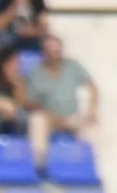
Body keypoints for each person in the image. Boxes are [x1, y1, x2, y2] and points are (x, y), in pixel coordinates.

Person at [23, 34, 97, 165]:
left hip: (71, 116)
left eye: (57, 51)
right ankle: (40, 163)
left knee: (91, 127)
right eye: (51, 52)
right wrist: (49, 115)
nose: (55, 55)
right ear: (44, 52)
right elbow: (29, 101)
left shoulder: (73, 66)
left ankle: (87, 164)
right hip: (48, 117)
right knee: (37, 121)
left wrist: (92, 111)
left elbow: (92, 87)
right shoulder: (35, 71)